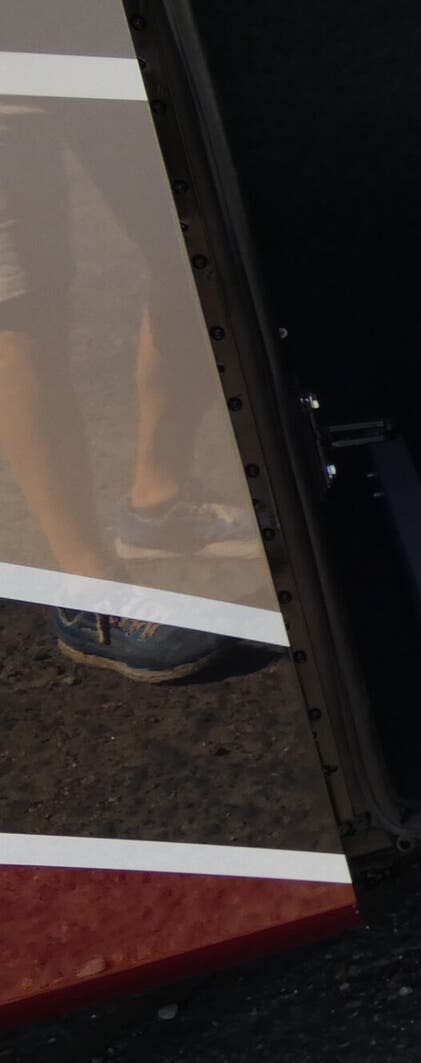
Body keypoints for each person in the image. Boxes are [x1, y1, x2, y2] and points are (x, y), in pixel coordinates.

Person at [0, 100, 256, 681]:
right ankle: (88, 588)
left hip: (97, 54)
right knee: (19, 302)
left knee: (195, 243)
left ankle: (157, 505)